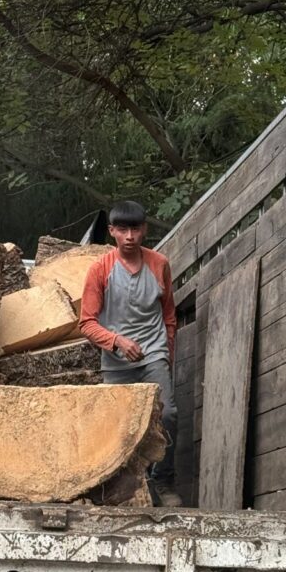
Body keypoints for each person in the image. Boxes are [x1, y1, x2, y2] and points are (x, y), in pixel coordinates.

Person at [79, 200, 183, 507]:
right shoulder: (100, 269)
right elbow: (86, 322)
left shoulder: (159, 264)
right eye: (122, 229)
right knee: (116, 427)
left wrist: (165, 356)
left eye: (135, 229)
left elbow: (169, 316)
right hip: (116, 363)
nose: (129, 236)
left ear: (144, 230)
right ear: (112, 231)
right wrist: (117, 342)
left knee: (167, 414)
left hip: (153, 355)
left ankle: (163, 480)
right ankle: (118, 489)